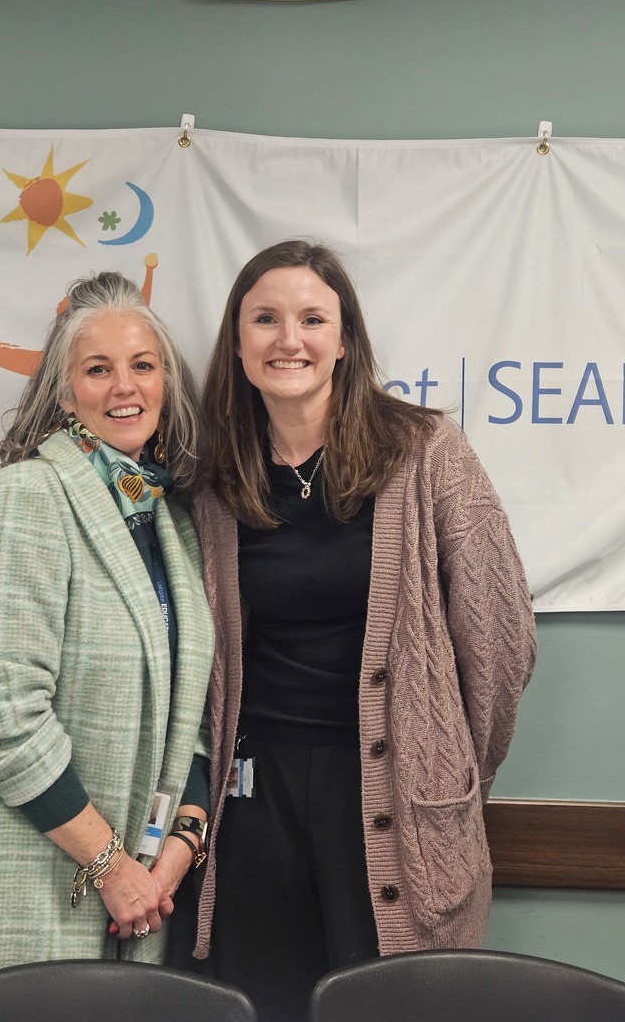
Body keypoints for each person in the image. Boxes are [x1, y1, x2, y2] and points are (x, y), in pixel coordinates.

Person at [190, 240, 537, 1022]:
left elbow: (502, 636)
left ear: (344, 340)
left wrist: (444, 776)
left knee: (388, 1004)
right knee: (263, 1004)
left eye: (313, 318)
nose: (290, 339)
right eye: (266, 319)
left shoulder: (427, 453)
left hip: (390, 789)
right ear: (238, 343)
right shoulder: (218, 478)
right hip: (254, 796)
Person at [0, 272, 214, 992]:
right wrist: (111, 866)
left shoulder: (170, 521)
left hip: (137, 898)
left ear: (166, 384)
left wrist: (181, 843)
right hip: (17, 891)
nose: (124, 388)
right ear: (62, 391)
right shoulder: (26, 498)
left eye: (142, 366)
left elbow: (192, 708)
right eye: (98, 369)